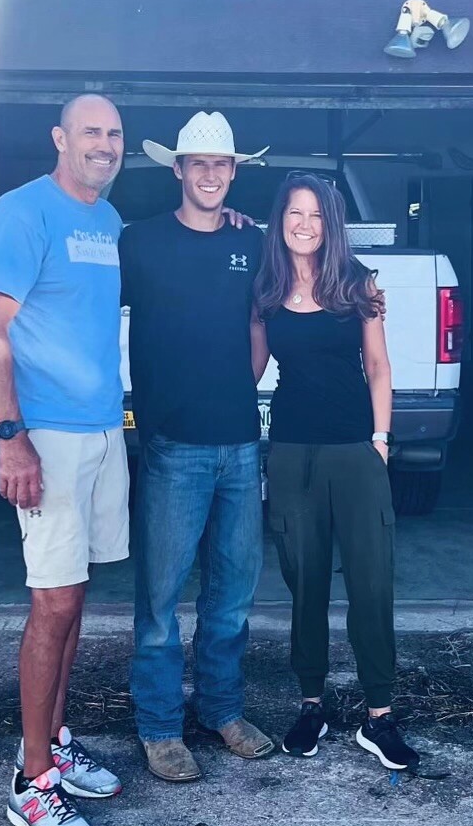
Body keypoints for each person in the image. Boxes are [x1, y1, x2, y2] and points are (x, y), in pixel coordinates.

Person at [0, 95, 128, 826]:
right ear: (61, 138)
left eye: (115, 134)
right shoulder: (20, 213)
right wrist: (12, 438)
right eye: (92, 132)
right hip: (48, 436)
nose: (105, 144)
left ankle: (56, 742)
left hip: (102, 428)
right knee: (52, 602)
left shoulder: (107, 220)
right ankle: (31, 783)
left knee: (74, 595)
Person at [120, 111, 275, 783]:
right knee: (159, 600)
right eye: (198, 164)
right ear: (177, 170)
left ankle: (221, 710)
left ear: (234, 172)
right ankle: (158, 727)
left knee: (232, 596)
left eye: (222, 165)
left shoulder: (254, 242)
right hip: (171, 448)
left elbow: (262, 321)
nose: (210, 175)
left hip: (241, 445)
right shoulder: (139, 242)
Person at [251, 173, 419, 770]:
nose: (304, 223)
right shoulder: (266, 290)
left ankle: (379, 716)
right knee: (306, 584)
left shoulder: (358, 284)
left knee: (372, 583)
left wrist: (379, 440)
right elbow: (250, 370)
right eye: (294, 213)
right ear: (280, 221)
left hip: (355, 450)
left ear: (332, 224)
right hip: (293, 454)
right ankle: (312, 703)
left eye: (317, 214)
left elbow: (378, 364)